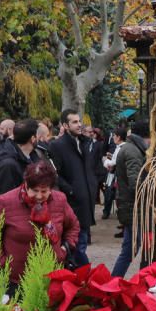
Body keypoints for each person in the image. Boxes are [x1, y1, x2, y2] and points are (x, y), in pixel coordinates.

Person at [0, 160, 78, 297]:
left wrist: (65, 248)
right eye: (35, 191)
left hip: (51, 276)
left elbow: (73, 226)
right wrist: (3, 262)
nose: (39, 196)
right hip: (16, 280)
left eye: (44, 191)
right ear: (26, 185)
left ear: (51, 188)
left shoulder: (60, 200)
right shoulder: (5, 202)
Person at [49, 109, 99, 267]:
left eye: (79, 121)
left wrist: (93, 184)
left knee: (81, 244)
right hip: (72, 204)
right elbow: (55, 174)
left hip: (86, 201)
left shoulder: (84, 142)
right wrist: (71, 190)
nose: (79, 125)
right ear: (65, 125)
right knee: (77, 247)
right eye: (75, 122)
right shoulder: (57, 145)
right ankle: (82, 276)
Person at [111, 120, 149, 277]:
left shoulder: (131, 148)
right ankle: (113, 282)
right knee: (129, 250)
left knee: (130, 248)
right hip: (134, 207)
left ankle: (114, 281)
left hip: (132, 206)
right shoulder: (133, 151)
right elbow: (135, 183)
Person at [0, 119, 41, 196]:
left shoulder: (33, 155)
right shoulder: (9, 164)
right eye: (38, 135)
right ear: (33, 139)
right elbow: (4, 198)